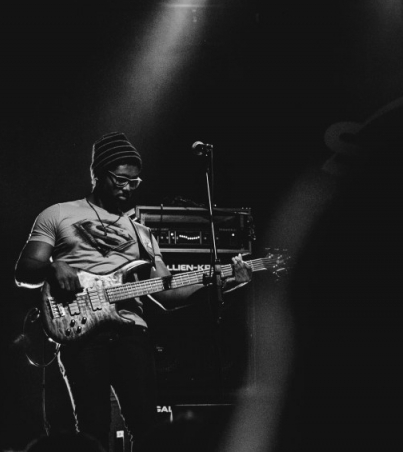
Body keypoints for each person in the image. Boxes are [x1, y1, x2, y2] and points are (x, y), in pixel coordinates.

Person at [14, 132, 252, 451]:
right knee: (92, 428)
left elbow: (167, 292)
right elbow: (24, 270)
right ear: (98, 174)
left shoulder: (143, 234)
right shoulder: (57, 214)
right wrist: (53, 267)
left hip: (132, 333)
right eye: (121, 179)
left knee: (148, 428)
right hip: (81, 332)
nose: (128, 187)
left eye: (134, 182)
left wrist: (228, 282)